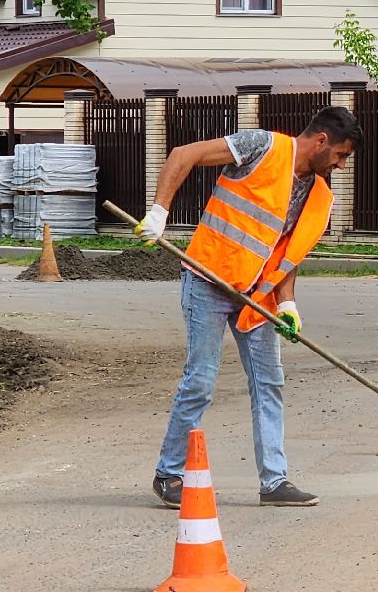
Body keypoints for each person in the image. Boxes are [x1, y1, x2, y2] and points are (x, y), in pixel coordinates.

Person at [135, 106, 361, 507]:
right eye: (341, 155)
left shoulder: (317, 194)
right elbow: (183, 155)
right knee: (200, 380)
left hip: (256, 298)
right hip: (208, 280)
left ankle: (275, 482)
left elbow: (287, 253)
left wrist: (288, 304)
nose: (341, 166)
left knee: (269, 382)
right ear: (322, 141)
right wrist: (159, 211)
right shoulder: (262, 146)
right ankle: (169, 474)